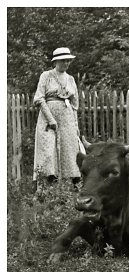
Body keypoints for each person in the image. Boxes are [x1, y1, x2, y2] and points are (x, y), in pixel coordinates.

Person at [33, 47, 81, 191]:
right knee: (48, 152)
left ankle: (72, 189)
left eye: (68, 60)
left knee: (70, 151)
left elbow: (74, 106)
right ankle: (47, 190)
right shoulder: (46, 76)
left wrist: (76, 125)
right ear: (56, 61)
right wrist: (50, 119)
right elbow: (39, 98)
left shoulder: (71, 79)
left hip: (67, 121)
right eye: (63, 60)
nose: (66, 63)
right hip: (48, 121)